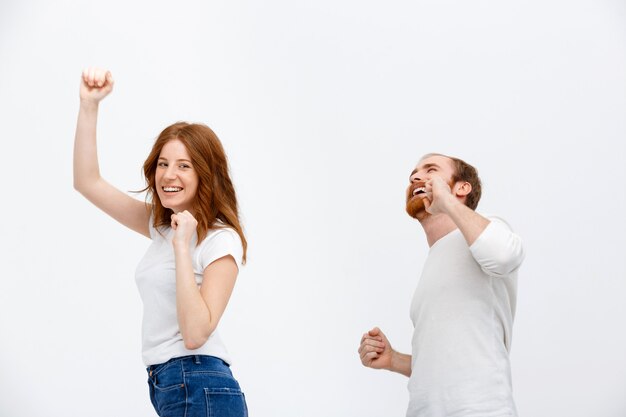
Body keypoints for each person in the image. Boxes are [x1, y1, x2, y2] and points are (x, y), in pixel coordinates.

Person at [73, 68, 249, 417]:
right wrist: (89, 105)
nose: (169, 175)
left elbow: (196, 332)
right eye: (163, 163)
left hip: (200, 381)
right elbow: (87, 182)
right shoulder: (163, 227)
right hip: (171, 383)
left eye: (184, 165)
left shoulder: (220, 240)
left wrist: (183, 248)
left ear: (205, 174)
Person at [358, 153, 524, 417]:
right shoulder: (434, 262)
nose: (415, 177)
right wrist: (394, 360)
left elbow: (504, 255)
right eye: (413, 173)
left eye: (430, 169)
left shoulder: (489, 230)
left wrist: (446, 202)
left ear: (461, 188)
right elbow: (447, 359)